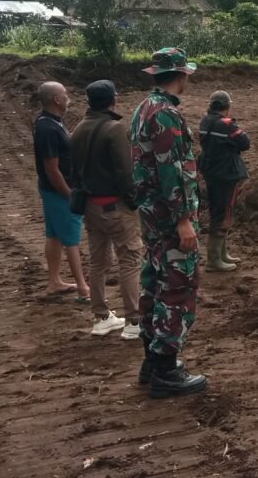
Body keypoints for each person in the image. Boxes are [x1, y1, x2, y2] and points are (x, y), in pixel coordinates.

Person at [130, 48, 208, 398]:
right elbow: (170, 171)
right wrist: (183, 221)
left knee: (154, 284)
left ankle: (152, 360)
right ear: (181, 75)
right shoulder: (165, 114)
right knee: (178, 288)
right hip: (168, 218)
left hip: (151, 216)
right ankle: (165, 369)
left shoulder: (144, 108)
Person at [71, 80, 142, 339]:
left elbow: (73, 170)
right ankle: (134, 320)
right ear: (114, 99)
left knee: (98, 261)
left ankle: (101, 316)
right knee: (130, 259)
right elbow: (126, 172)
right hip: (114, 206)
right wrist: (134, 201)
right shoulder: (115, 129)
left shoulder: (78, 128)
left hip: (90, 206)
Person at [33, 81, 90, 300]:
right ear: (57, 99)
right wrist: (69, 195)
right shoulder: (48, 128)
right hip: (58, 191)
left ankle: (55, 282)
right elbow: (52, 169)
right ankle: (83, 288)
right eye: (65, 94)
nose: (68, 97)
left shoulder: (50, 122)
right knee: (71, 239)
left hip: (51, 190)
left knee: (54, 235)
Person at [198, 90, 251, 272]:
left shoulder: (205, 121)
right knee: (224, 213)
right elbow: (245, 143)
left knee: (217, 211)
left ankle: (221, 254)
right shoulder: (226, 125)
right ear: (226, 106)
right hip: (226, 173)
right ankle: (214, 260)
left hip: (211, 171)